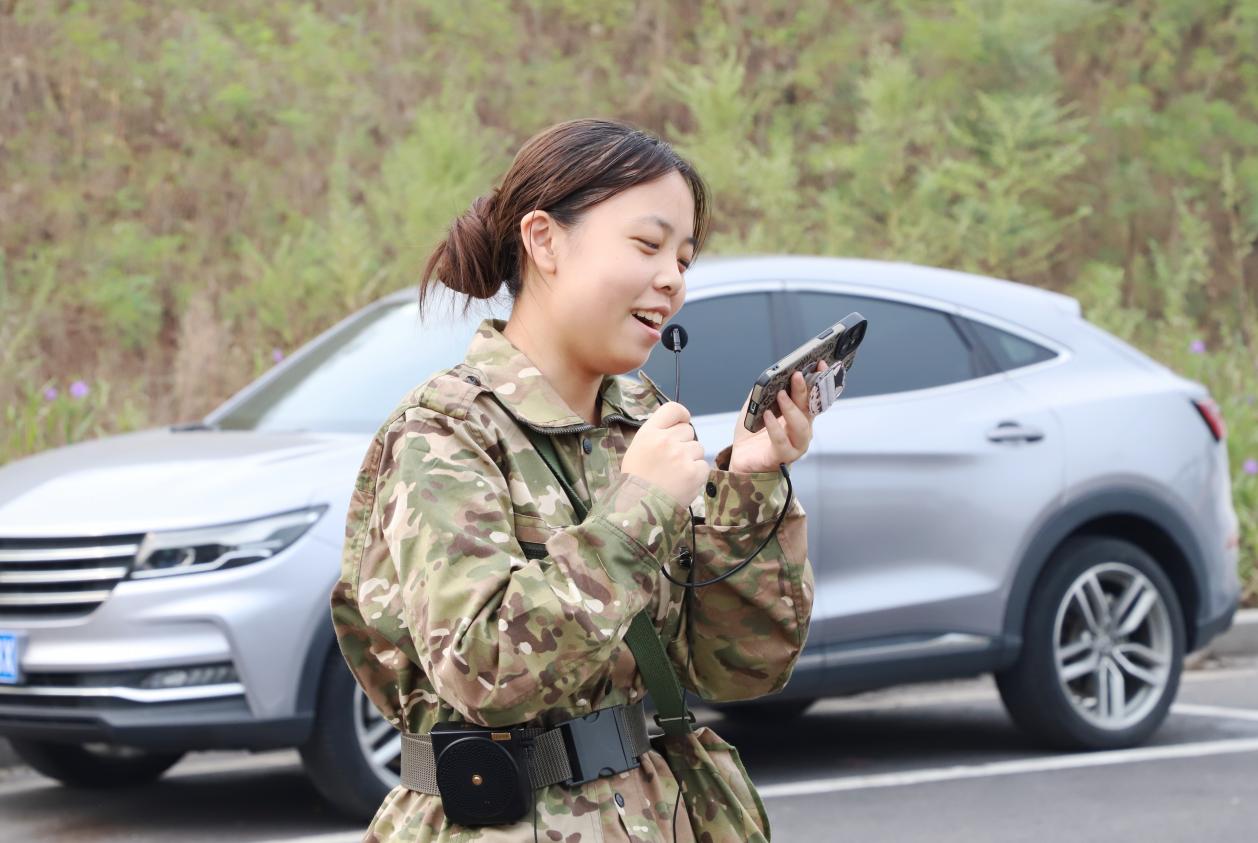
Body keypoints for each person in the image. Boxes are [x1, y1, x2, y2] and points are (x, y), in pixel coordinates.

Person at [331, 117, 818, 841]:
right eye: (648, 245)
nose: (672, 279)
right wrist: (638, 512)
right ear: (544, 241)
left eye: (684, 258)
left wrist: (751, 484)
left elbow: (739, 668)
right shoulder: (445, 432)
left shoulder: (640, 420)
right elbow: (484, 671)